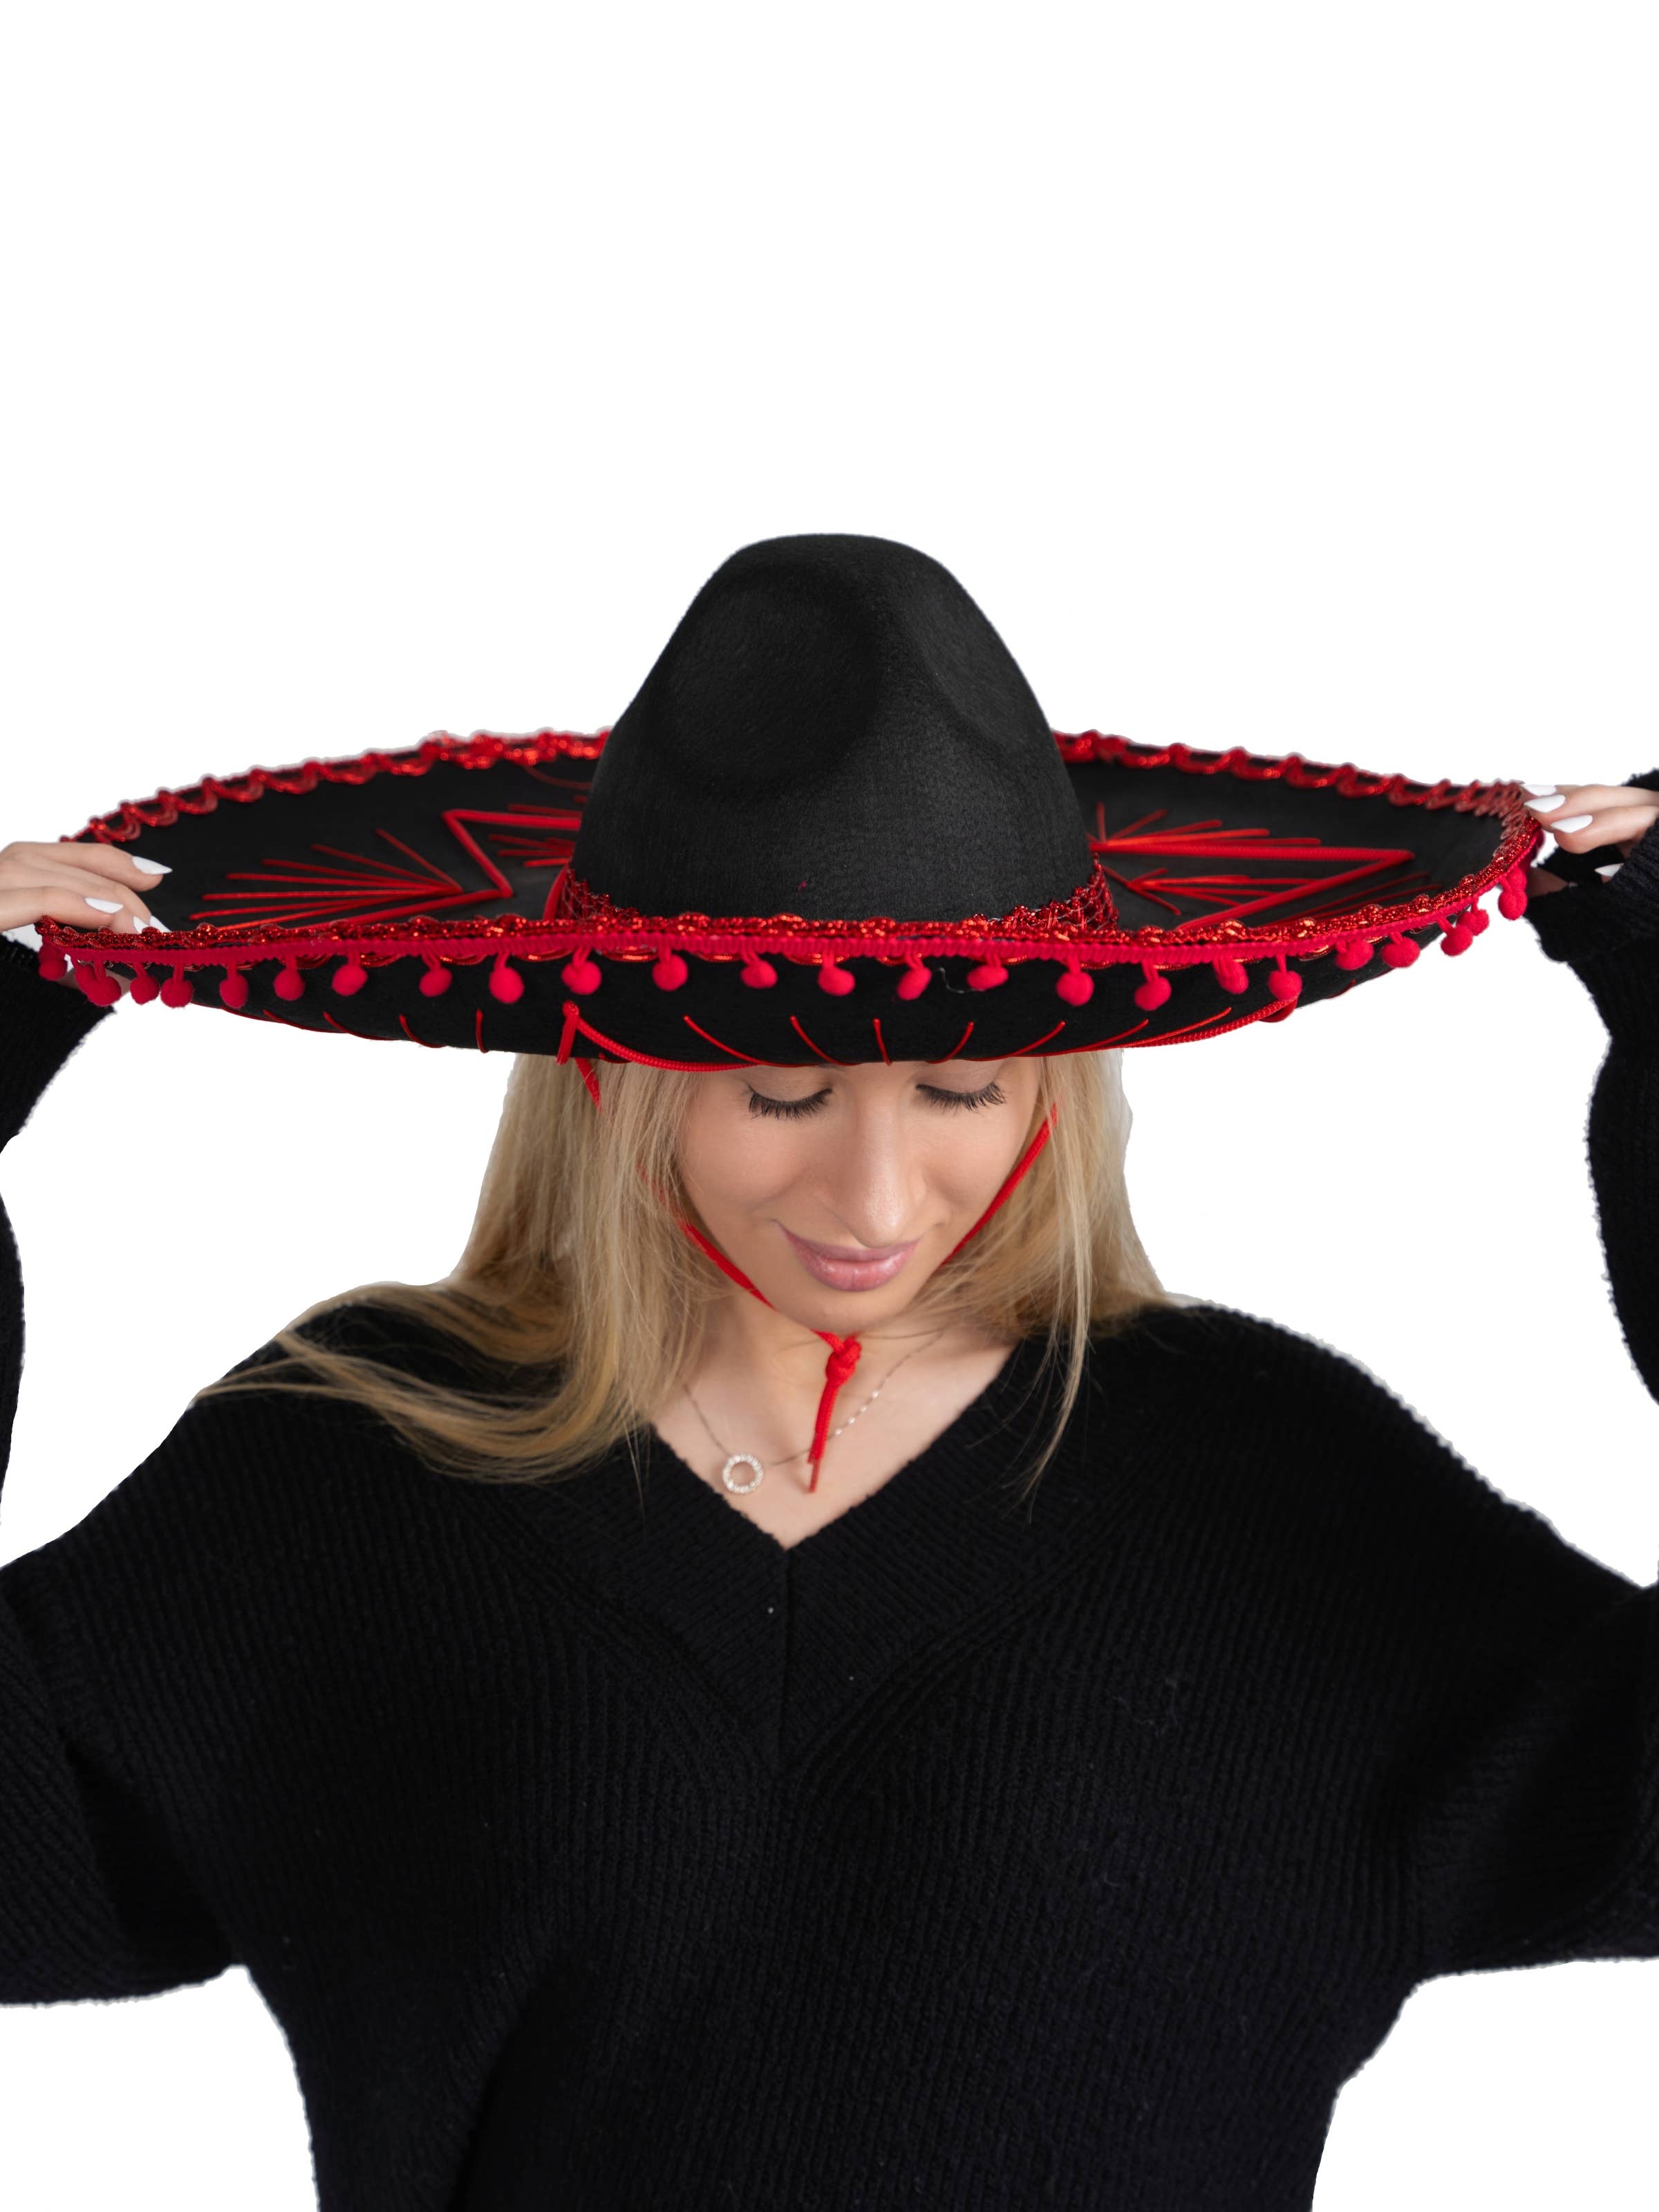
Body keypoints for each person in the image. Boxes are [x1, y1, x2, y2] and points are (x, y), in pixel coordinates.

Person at [1, 535, 1655, 2209]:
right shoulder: (345, 1470)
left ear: (1059, 1081)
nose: (874, 1199)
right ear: (616, 1075)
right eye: (780, 1092)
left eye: (961, 1088)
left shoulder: (1268, 1482)